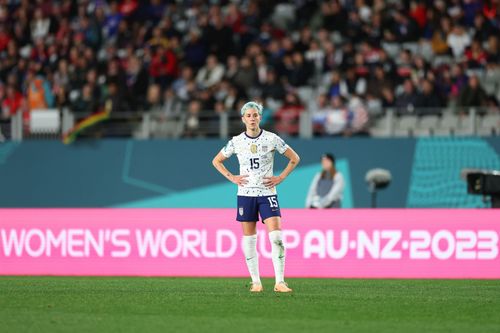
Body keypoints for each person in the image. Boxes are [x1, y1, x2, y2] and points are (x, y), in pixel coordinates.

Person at [212, 101, 300, 293]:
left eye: (255, 115)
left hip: (268, 193)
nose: (252, 118)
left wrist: (281, 177)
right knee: (250, 239)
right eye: (248, 116)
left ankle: (280, 282)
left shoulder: (272, 139)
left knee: (276, 237)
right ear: (243, 119)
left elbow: (295, 158)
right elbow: (216, 161)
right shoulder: (236, 141)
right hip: (245, 194)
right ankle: (256, 282)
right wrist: (232, 177)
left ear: (260, 117)